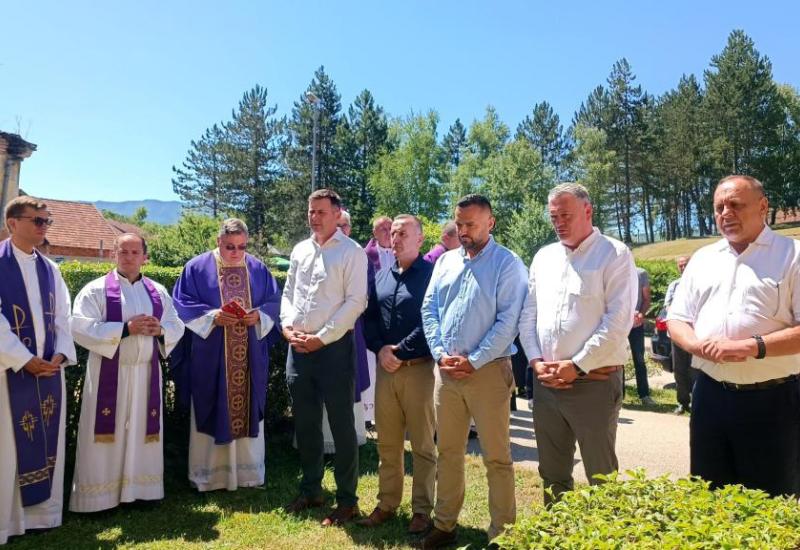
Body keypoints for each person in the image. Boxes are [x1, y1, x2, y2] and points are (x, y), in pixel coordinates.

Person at [667, 175, 800, 498]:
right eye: (719, 207)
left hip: (774, 401)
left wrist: (751, 347)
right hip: (711, 396)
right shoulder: (703, 259)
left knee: (773, 503)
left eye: (736, 205)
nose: (726, 213)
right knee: (709, 497)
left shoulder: (792, 255)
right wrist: (698, 345)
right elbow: (677, 319)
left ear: (763, 207)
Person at [419, 194, 528, 548]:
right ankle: (445, 524)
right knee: (448, 452)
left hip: (488, 374)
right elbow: (429, 309)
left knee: (497, 457)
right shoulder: (446, 262)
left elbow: (507, 321)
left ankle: (502, 533)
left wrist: (475, 359)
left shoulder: (508, 264)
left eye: (470, 224)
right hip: (446, 374)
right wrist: (438, 352)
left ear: (490, 223)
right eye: (459, 224)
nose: (462, 231)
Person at [518, 183, 637, 505]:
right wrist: (535, 361)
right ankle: (557, 536)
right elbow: (528, 314)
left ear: (588, 211)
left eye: (566, 215)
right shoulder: (544, 257)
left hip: (593, 383)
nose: (558, 222)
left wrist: (577, 365)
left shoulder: (614, 254)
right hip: (546, 383)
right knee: (552, 474)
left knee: (602, 477)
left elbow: (617, 321)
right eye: (553, 216)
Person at [69, 234, 185, 512]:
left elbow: (176, 324)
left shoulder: (158, 291)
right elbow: (79, 328)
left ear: (145, 256)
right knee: (104, 437)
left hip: (146, 374)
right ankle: (98, 499)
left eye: (136, 252)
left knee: (142, 434)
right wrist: (125, 329)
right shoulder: (95, 290)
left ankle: (141, 492)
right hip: (109, 374)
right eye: (124, 251)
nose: (130, 256)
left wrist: (161, 330)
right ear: (114, 254)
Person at [172, 218, 281, 492]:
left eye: (241, 247)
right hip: (212, 355)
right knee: (211, 402)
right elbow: (181, 303)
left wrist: (260, 315)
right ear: (218, 241)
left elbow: (276, 302)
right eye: (229, 246)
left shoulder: (257, 268)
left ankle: (248, 474)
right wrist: (212, 317)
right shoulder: (196, 267)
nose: (235, 252)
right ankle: (209, 476)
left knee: (247, 405)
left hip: (248, 355)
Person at [281, 189, 368, 526]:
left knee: (342, 426)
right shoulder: (301, 250)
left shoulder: (352, 253)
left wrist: (322, 337)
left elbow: (355, 302)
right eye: (310, 211)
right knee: (305, 423)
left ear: (336, 214)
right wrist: (288, 328)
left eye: (321, 211)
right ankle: (311, 490)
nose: (314, 217)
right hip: (298, 348)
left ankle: (347, 500)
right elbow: (288, 293)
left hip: (333, 350)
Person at [0, 196, 76, 544]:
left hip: (47, 372)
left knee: (45, 439)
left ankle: (41, 516)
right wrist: (22, 358)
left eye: (47, 222)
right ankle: (7, 520)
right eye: (37, 221)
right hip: (7, 373)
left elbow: (63, 317)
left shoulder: (52, 269)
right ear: (12, 223)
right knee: (8, 447)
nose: (44, 227)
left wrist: (59, 354)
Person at [358, 215, 436, 535]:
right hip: (386, 370)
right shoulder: (382, 276)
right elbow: (370, 319)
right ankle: (387, 503)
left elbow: (431, 321)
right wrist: (380, 349)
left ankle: (421, 510)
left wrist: (399, 351)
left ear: (420, 240)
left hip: (418, 369)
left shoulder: (431, 275)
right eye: (393, 233)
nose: (397, 238)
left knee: (422, 445)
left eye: (404, 233)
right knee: (388, 444)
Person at [664, 255, 694, 414]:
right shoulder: (674, 285)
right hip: (677, 336)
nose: (683, 268)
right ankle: (683, 403)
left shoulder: (700, 282)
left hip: (697, 335)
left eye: (685, 264)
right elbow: (668, 307)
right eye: (680, 265)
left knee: (696, 370)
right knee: (680, 369)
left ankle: (698, 403)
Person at [628, 266, 654, 405]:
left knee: (639, 360)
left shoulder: (640, 273)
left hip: (636, 325)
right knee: (617, 361)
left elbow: (646, 299)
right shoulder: (615, 270)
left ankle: (644, 395)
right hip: (618, 325)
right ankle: (619, 397)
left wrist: (641, 314)